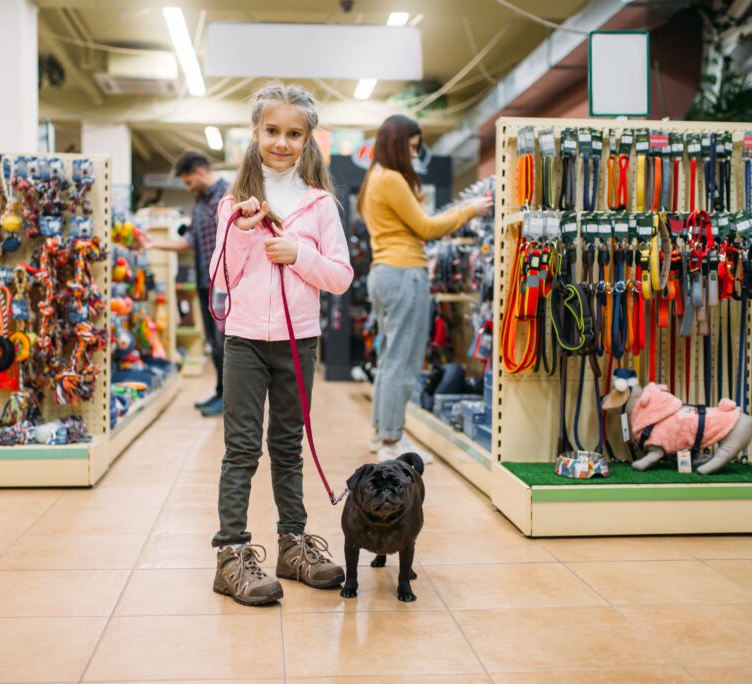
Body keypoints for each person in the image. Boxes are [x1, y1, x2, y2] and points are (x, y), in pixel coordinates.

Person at [208, 83, 353, 606]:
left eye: (294, 133)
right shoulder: (232, 203)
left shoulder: (320, 206)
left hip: (299, 342)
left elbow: (340, 276)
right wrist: (245, 232)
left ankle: (293, 544)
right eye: (272, 131)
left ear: (309, 139)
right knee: (242, 449)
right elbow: (219, 277)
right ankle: (231, 555)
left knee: (287, 447)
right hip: (244, 340)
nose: (282, 142)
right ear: (256, 133)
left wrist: (299, 255)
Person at [357, 114, 492, 464]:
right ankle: (391, 440)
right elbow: (426, 227)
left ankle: (382, 433)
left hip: (384, 272)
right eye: (413, 147)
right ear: (398, 143)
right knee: (403, 361)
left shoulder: (374, 177)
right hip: (404, 272)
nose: (415, 155)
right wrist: (470, 210)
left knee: (389, 358)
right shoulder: (391, 179)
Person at [139, 150, 228, 417]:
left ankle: (229, 400)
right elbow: (188, 240)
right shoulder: (200, 203)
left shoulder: (229, 195)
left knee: (225, 342)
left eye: (189, 182)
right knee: (213, 340)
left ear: (200, 172)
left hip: (224, 284)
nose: (188, 188)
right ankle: (221, 392)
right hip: (204, 283)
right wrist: (154, 243)